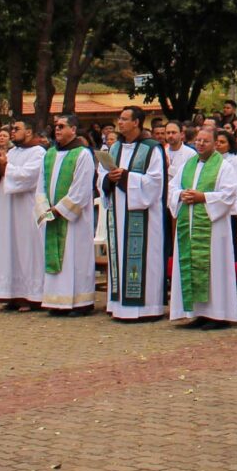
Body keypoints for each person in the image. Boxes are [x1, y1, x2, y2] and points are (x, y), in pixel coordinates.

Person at [170, 122, 237, 329]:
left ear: (215, 144)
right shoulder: (188, 165)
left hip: (213, 228)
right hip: (189, 225)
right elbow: (172, 186)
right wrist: (180, 195)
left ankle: (219, 315)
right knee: (192, 266)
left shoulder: (224, 166)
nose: (201, 144)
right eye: (198, 141)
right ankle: (198, 313)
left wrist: (203, 197)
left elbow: (230, 194)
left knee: (215, 268)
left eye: (206, 141)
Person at [101, 106, 168, 321]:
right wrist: (108, 179)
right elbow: (101, 174)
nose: (120, 123)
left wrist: (127, 177)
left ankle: (147, 308)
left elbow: (155, 182)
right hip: (118, 212)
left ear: (136, 122)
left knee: (143, 256)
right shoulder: (115, 148)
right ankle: (119, 305)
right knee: (119, 254)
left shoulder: (152, 149)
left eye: (124, 119)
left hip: (143, 215)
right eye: (119, 118)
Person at [38, 116, 98, 315]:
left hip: (75, 220)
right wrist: (43, 207)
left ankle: (80, 302)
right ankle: (56, 301)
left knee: (75, 258)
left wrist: (60, 209)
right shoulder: (49, 154)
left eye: (62, 126)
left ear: (73, 129)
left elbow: (82, 189)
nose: (57, 129)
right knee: (57, 259)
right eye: (55, 126)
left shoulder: (82, 154)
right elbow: (41, 185)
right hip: (52, 214)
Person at [0, 121, 45, 312]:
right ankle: (10, 293)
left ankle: (31, 296)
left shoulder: (39, 152)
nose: (12, 132)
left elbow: (29, 177)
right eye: (11, 129)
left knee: (27, 249)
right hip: (8, 208)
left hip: (27, 209)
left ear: (29, 131)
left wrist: (4, 166)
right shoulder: (12, 153)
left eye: (16, 129)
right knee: (9, 247)